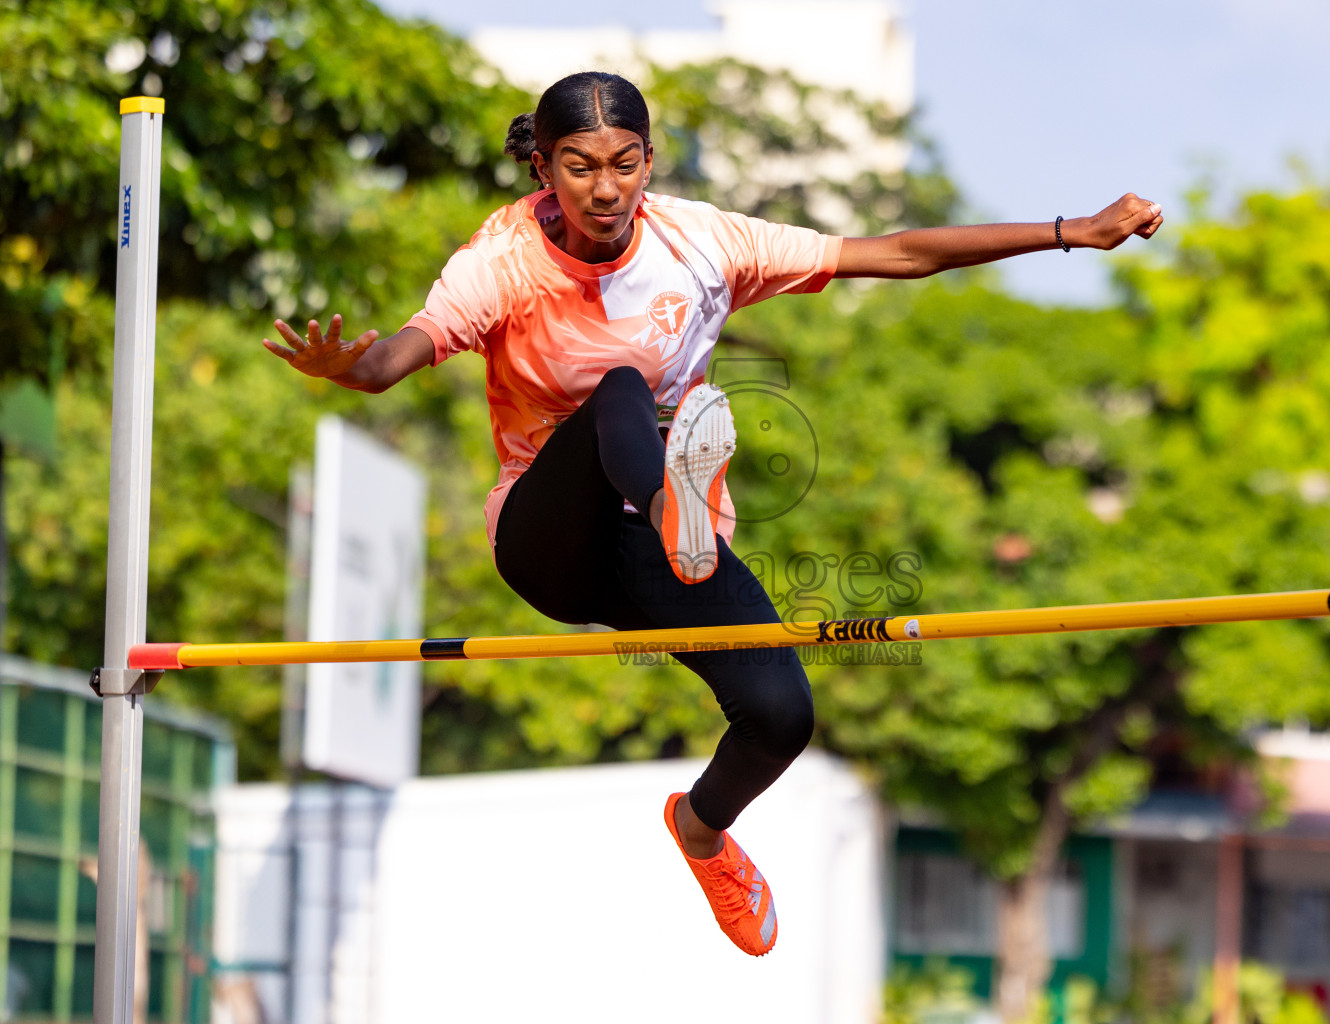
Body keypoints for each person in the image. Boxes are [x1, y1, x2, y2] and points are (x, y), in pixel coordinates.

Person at [262, 71, 1162, 957]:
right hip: (552, 536)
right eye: (579, 167)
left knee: (781, 715)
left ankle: (700, 829)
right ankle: (671, 509)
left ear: (650, 161)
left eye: (623, 163)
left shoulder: (702, 242)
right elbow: (400, 356)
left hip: (666, 554)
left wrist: (1071, 232)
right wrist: (354, 367)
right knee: (620, 390)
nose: (604, 189)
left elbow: (893, 252)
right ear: (543, 168)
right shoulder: (503, 258)